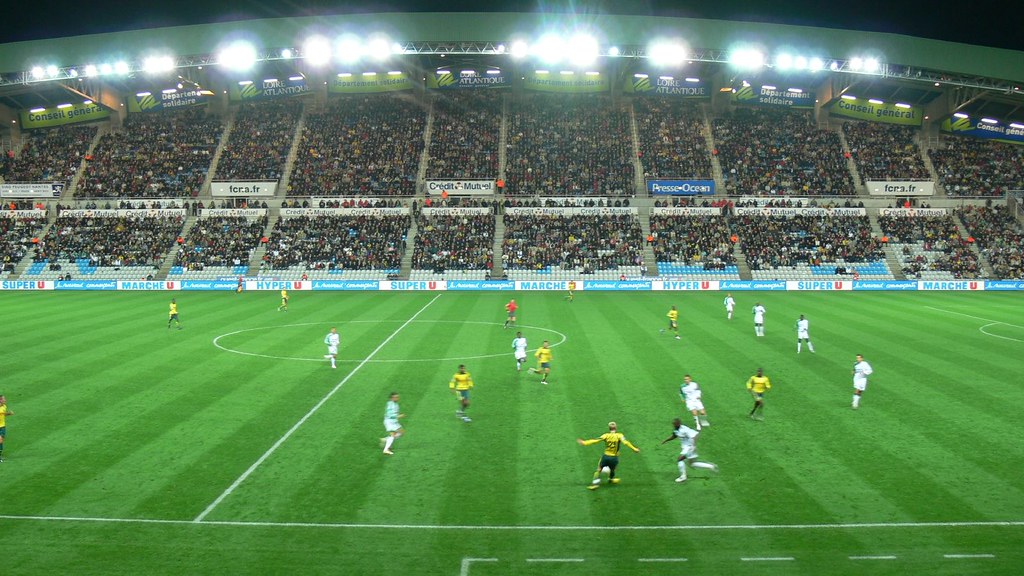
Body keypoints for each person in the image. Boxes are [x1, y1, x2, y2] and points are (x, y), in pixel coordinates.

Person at [577, 421, 640, 490]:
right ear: (616, 428)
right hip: (614, 458)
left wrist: (584, 443)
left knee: (599, 470)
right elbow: (626, 443)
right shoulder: (620, 435)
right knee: (612, 469)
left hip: (606, 456)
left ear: (609, 428)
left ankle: (595, 484)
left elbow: (595, 440)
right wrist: (634, 449)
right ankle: (611, 479)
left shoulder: (606, 435)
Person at [660, 418, 718, 483]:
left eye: (675, 424)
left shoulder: (684, 429)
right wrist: (665, 440)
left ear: (678, 424)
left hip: (689, 447)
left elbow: (695, 436)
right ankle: (711, 466)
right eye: (673, 424)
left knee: (680, 459)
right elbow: (674, 435)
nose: (674, 425)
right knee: (692, 464)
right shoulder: (676, 430)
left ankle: (683, 477)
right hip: (686, 447)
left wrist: (693, 446)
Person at [0, 394, 11, 462]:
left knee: (1, 441)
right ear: (0, 400)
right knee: (0, 440)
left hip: (2, 427)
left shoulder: (4, 406)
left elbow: (3, 414)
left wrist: (9, 413)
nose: (5, 400)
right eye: (4, 399)